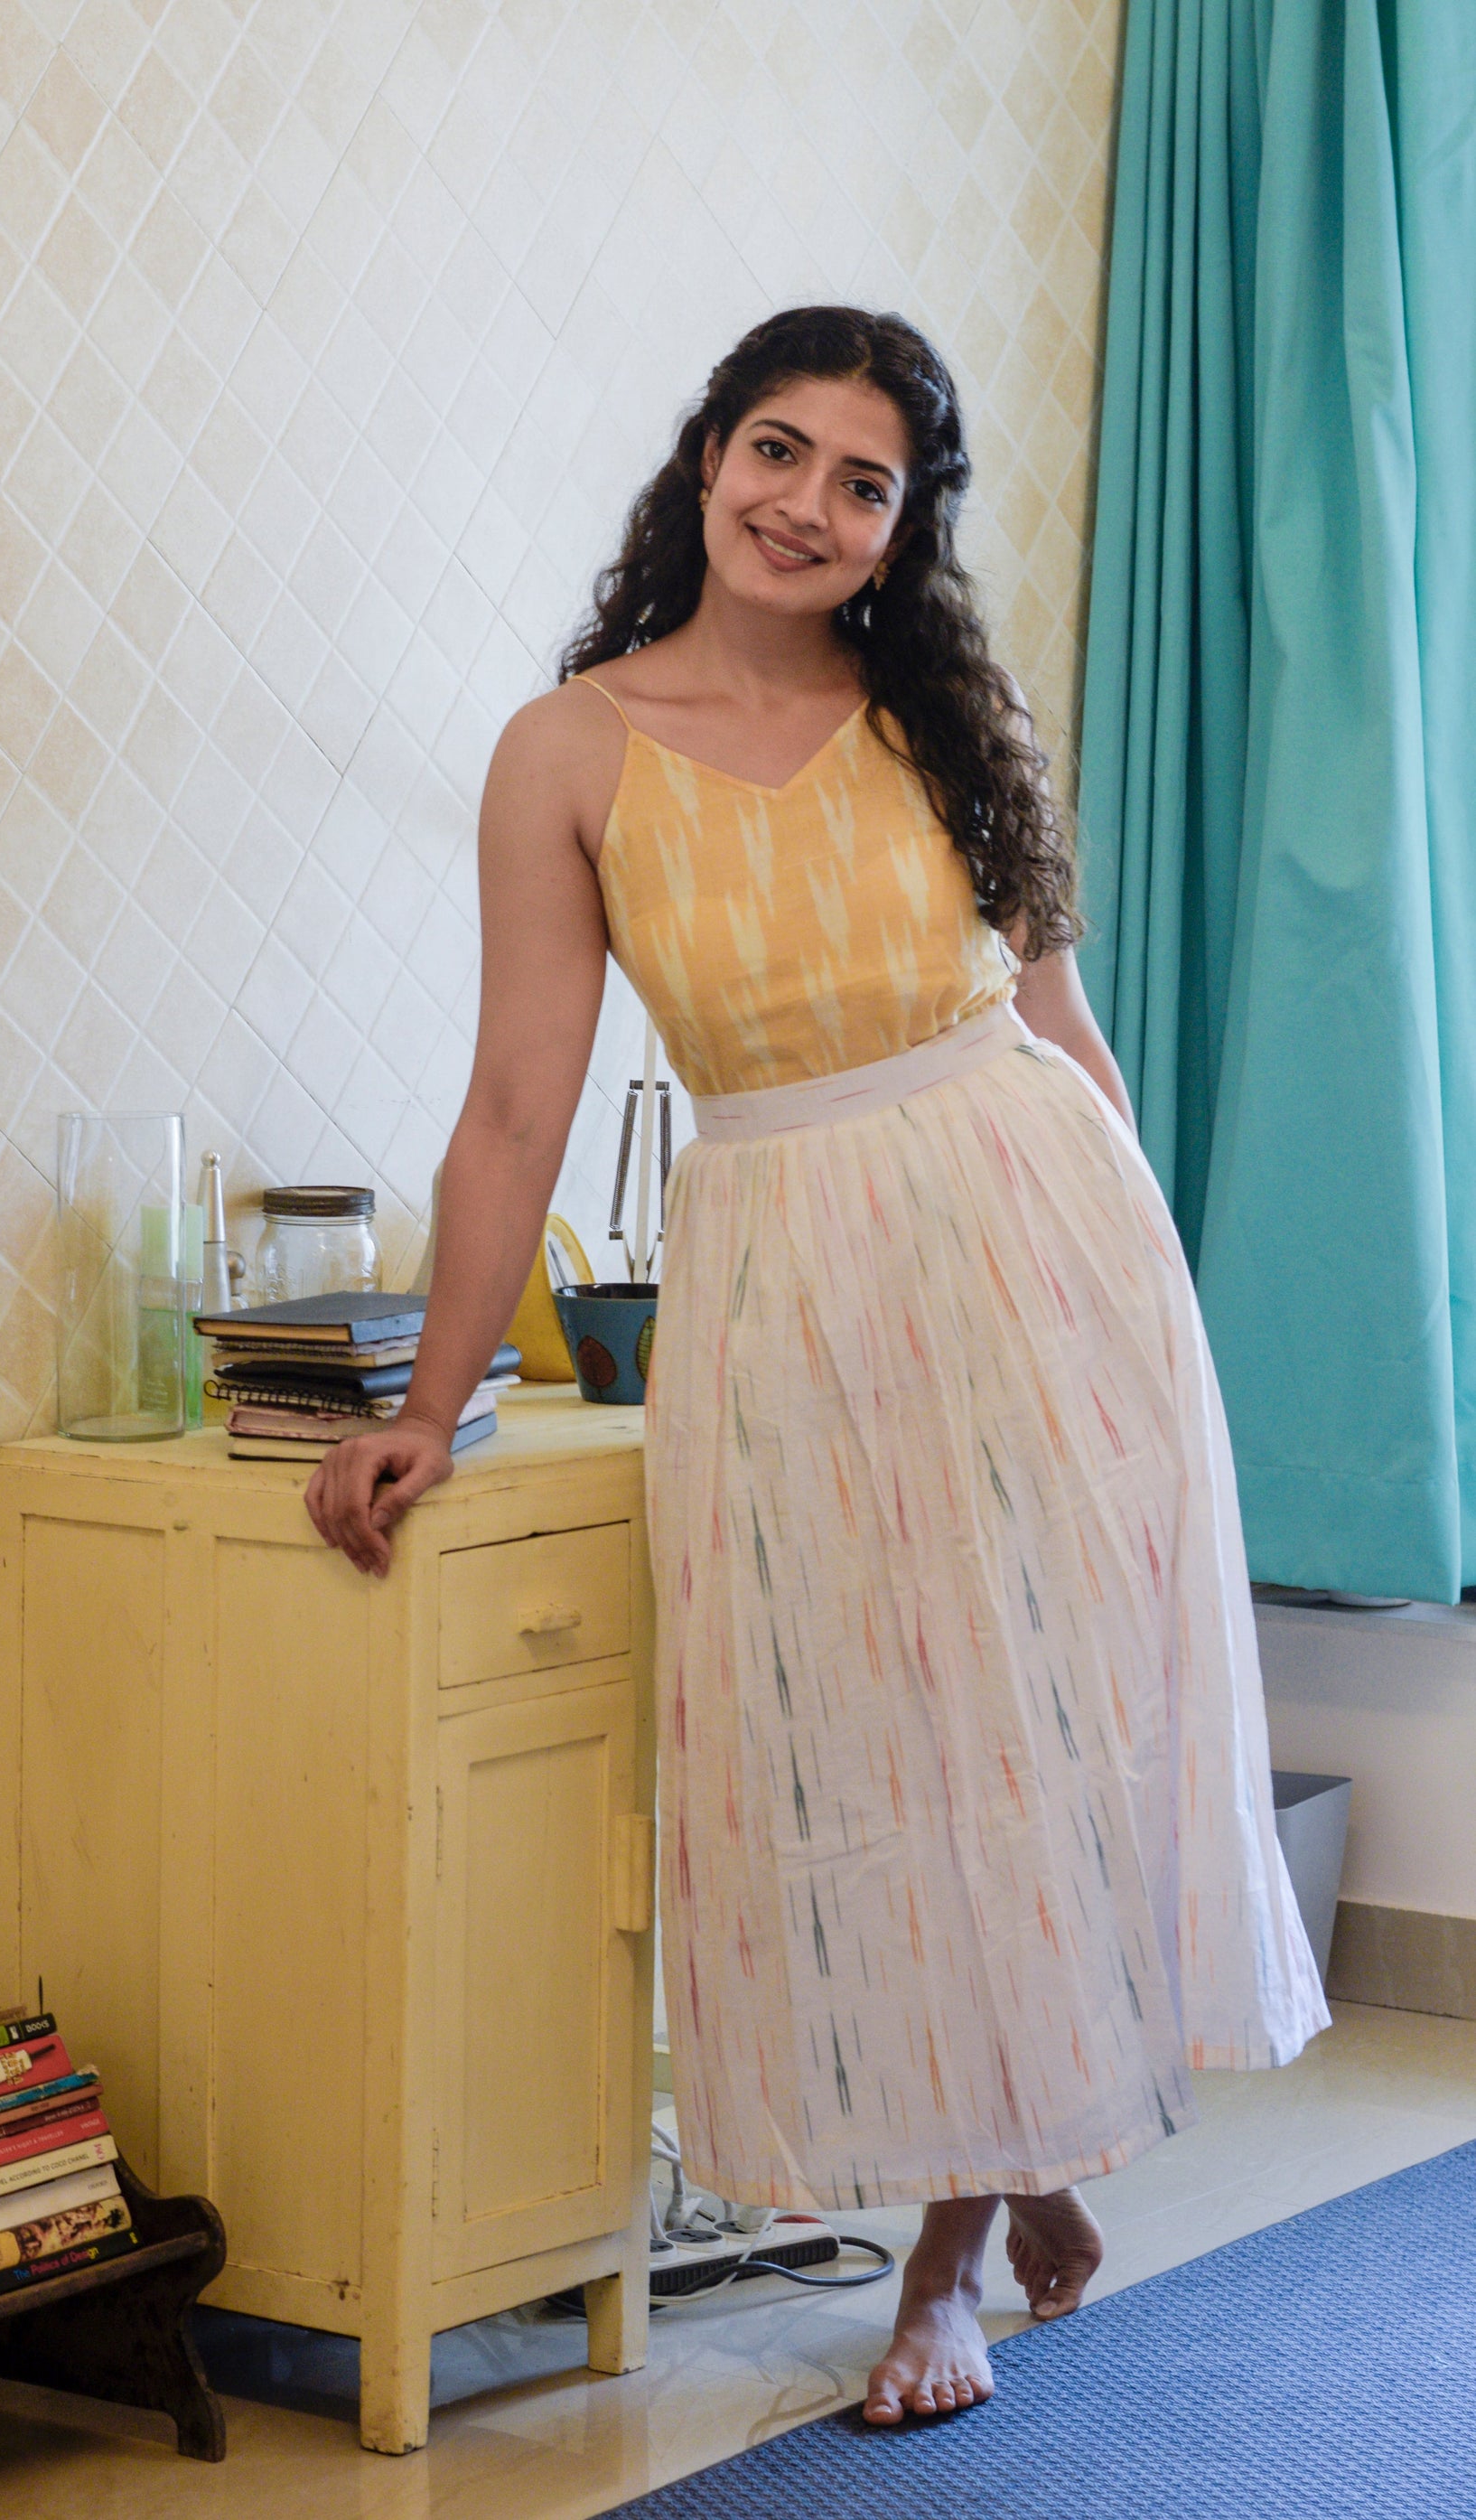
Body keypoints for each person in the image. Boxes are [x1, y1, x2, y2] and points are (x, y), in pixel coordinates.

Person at [307, 305, 1329, 2426]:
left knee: (1024, 1733)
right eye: (778, 450)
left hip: (1029, 1243)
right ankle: (1023, 2150)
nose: (805, 505)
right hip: (780, 1271)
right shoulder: (567, 752)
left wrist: (1153, 1311)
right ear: (708, 454)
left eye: (864, 484)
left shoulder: (944, 716)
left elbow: (1055, 1026)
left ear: (899, 528)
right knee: (859, 1752)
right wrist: (424, 1405)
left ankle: (941, 2269)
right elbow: (511, 1111)